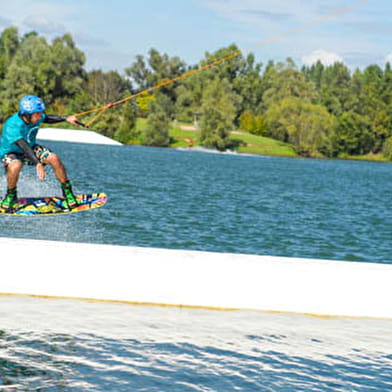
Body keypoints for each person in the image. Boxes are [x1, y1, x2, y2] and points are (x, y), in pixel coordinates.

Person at [0, 94, 81, 211]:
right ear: (27, 115)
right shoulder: (12, 125)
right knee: (15, 165)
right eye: (37, 114)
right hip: (12, 152)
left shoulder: (35, 116)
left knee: (53, 158)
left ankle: (67, 192)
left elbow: (47, 118)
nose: (40, 116)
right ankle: (11, 195)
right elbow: (23, 146)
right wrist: (37, 163)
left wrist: (66, 118)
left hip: (31, 148)